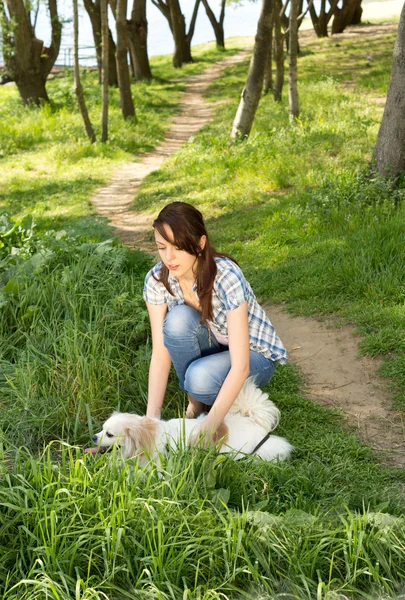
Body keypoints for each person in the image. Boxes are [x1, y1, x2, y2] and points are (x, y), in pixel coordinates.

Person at [143, 201, 287, 443]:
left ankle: (205, 402)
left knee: (199, 379)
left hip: (254, 355)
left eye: (178, 248)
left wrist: (209, 428)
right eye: (162, 247)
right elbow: (160, 353)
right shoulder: (157, 280)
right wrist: (150, 422)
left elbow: (241, 366)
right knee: (176, 321)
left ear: (200, 243)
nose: (169, 257)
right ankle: (196, 404)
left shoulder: (226, 276)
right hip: (215, 348)